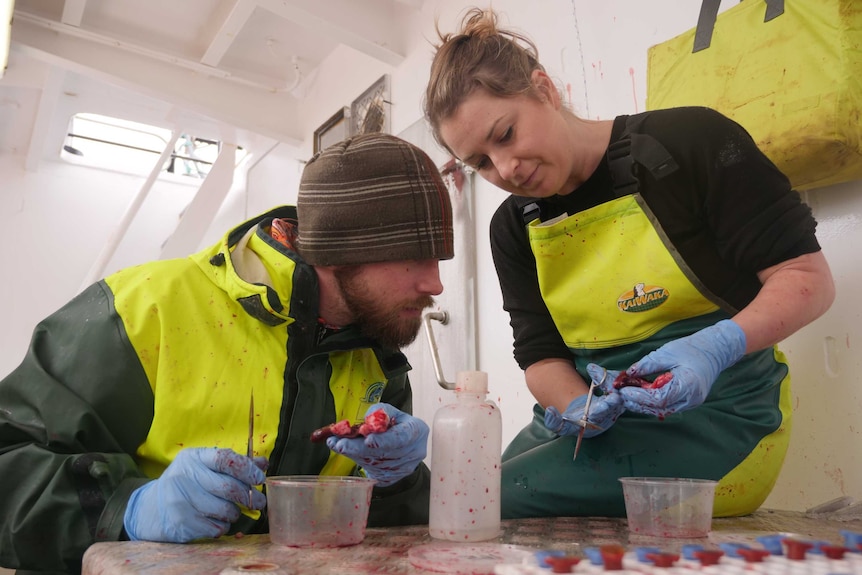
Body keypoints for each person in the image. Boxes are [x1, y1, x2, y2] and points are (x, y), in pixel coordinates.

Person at [424, 8, 835, 519]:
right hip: (598, 430)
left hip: (724, 421)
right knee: (463, 496)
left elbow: (807, 279)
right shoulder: (512, 227)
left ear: (544, 89)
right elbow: (541, 357)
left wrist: (714, 346)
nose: (505, 168)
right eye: (480, 162)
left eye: (505, 134)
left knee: (474, 505)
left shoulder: (689, 143)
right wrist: (580, 406)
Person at [0, 133, 454, 574]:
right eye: (415, 256)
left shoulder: (375, 347)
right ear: (338, 252)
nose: (434, 284)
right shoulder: (142, 311)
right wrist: (128, 506)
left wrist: (400, 482)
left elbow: (385, 539)